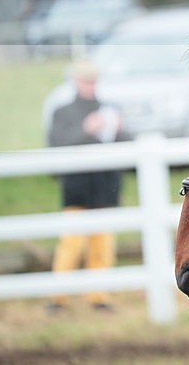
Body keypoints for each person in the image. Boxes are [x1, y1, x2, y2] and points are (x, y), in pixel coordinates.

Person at [47, 59, 126, 312]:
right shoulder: (63, 112)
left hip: (105, 185)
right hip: (77, 186)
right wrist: (85, 130)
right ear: (75, 81)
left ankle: (98, 295)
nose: (90, 86)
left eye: (93, 81)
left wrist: (121, 130)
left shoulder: (109, 109)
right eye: (85, 81)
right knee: (72, 242)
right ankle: (59, 296)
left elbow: (124, 141)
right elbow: (57, 145)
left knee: (102, 244)